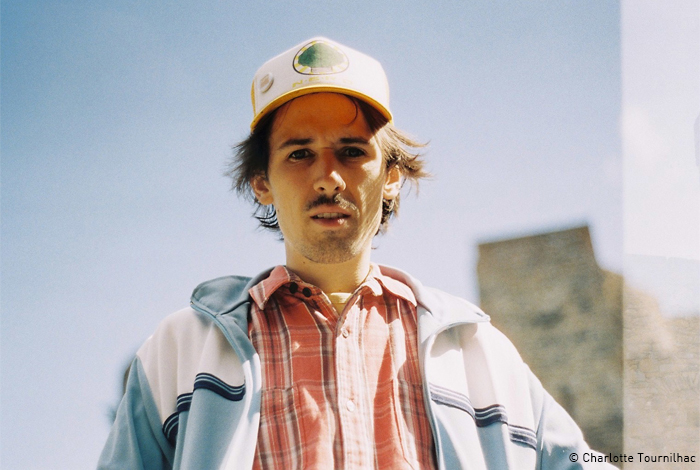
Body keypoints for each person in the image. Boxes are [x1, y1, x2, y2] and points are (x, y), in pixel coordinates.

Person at [98, 37, 616, 469]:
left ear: (391, 176)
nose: (328, 178)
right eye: (299, 154)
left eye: (352, 151)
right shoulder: (180, 352)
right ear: (261, 182)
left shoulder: (478, 355)